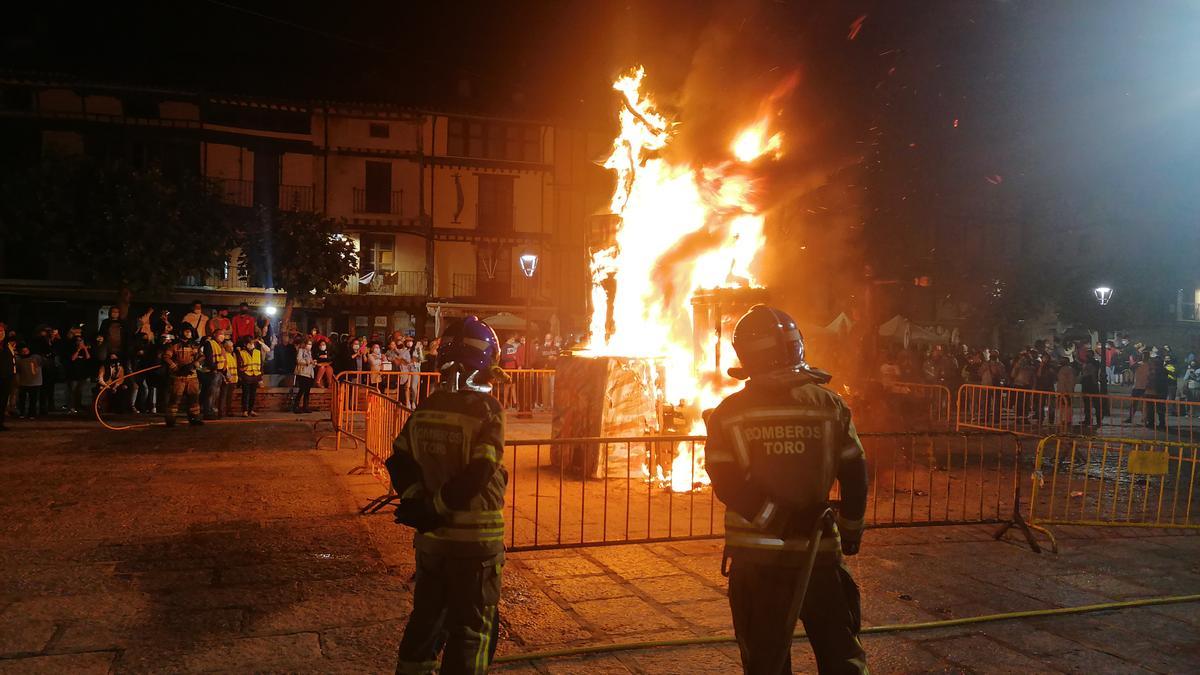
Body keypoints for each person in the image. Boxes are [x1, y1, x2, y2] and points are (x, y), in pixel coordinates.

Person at [704, 305, 869, 674]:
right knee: (842, 656)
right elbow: (855, 472)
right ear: (798, 347)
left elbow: (728, 484)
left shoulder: (728, 413)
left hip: (758, 563)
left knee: (766, 661)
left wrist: (778, 522)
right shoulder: (831, 406)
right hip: (821, 557)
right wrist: (852, 530)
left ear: (746, 356)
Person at [385, 316, 508, 674]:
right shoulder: (488, 410)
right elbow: (481, 471)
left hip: (432, 543)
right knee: (473, 630)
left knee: (426, 621)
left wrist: (416, 503)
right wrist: (437, 507)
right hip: (475, 546)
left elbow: (399, 459)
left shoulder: (426, 407)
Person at [162, 334, 203, 427]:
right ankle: (170, 420)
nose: (189, 333)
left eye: (190, 332)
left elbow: (201, 356)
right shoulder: (174, 345)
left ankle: (194, 418)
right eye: (186, 331)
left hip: (192, 376)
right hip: (178, 377)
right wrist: (175, 367)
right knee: (175, 398)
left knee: (194, 398)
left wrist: (196, 363)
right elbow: (166, 357)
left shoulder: (194, 345)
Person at [200, 328, 228, 419]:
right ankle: (208, 412)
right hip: (212, 372)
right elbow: (208, 358)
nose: (222, 336)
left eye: (223, 334)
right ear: (214, 334)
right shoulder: (209, 343)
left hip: (219, 372)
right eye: (220, 334)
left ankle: (213, 411)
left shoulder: (220, 345)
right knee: (211, 393)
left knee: (215, 393)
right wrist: (214, 368)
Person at [236, 337, 265, 417]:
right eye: (250, 343)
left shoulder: (258, 352)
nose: (252, 344)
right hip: (246, 376)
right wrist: (241, 375)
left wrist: (260, 377)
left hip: (255, 376)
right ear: (245, 344)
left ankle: (251, 410)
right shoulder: (242, 353)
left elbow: (261, 365)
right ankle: (245, 410)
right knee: (245, 394)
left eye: (252, 343)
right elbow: (238, 365)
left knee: (253, 394)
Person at [16, 344, 44, 419]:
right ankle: (22, 413)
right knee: (22, 399)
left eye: (26, 351)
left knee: (33, 400)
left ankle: (32, 414)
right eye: (23, 351)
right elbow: (18, 371)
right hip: (24, 382)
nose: (25, 353)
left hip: (34, 382)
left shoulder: (36, 358)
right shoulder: (19, 361)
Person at [293, 338, 315, 413]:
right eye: (308, 344)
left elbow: (310, 363)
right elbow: (299, 360)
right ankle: (296, 405)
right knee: (302, 389)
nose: (310, 346)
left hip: (309, 373)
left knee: (307, 391)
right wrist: (308, 362)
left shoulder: (310, 352)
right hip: (302, 372)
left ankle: (305, 406)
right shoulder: (301, 350)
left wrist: (313, 363)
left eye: (310, 344)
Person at [0, 334, 15, 430]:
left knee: (3, 400)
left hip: (7, 376)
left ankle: (0, 423)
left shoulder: (7, 345)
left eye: (2, 331)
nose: (1, 333)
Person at [220, 339, 238, 417]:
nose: (231, 348)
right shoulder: (225, 355)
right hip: (227, 379)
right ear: (225, 347)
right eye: (229, 347)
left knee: (229, 397)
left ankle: (228, 410)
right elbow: (225, 368)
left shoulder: (232, 355)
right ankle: (221, 412)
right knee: (223, 396)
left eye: (232, 346)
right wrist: (227, 377)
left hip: (233, 380)